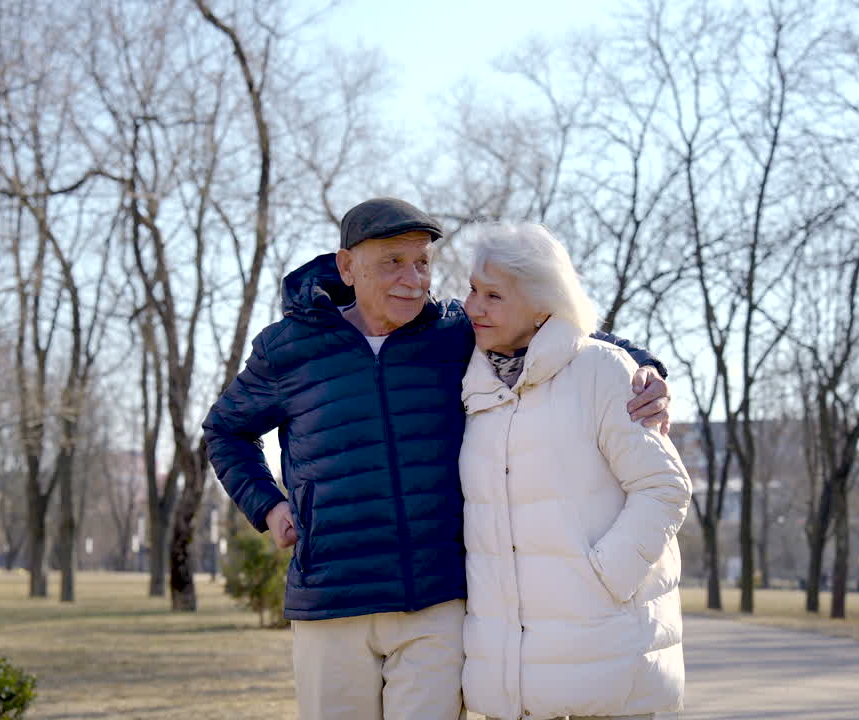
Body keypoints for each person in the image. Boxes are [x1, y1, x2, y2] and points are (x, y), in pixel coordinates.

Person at [202, 198, 672, 720]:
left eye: (421, 261)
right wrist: (268, 504)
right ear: (347, 267)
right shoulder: (289, 347)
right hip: (331, 599)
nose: (412, 279)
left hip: (436, 601)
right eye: (392, 262)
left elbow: (560, 330)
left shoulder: (454, 335)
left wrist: (646, 368)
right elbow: (225, 430)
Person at [456, 221, 691, 720]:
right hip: (513, 670)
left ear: (544, 304)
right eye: (473, 290)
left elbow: (663, 486)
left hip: (605, 647)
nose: (473, 307)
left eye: (494, 295)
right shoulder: (472, 383)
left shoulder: (602, 370)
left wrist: (604, 576)